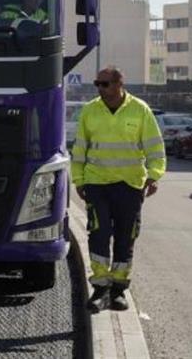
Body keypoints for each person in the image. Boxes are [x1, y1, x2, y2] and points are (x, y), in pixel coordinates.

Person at [71, 67, 165, 313]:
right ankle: (100, 289)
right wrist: (78, 180)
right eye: (97, 84)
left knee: (126, 238)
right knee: (99, 234)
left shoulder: (140, 110)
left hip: (130, 185)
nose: (99, 89)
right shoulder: (90, 110)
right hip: (97, 184)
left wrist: (154, 176)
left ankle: (119, 290)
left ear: (118, 85)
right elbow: (80, 148)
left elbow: (155, 147)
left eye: (104, 84)